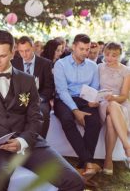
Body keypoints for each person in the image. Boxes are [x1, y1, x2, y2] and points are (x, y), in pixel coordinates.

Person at [0, 30, 84, 191]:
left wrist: (23, 141)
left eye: (2, 56)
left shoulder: (28, 80)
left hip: (30, 144)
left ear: (13, 53)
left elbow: (36, 118)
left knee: (75, 181)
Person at [53, 34, 102, 182]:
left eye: (87, 49)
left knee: (95, 122)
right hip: (64, 99)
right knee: (67, 120)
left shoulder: (93, 66)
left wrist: (94, 100)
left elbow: (94, 88)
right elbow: (62, 91)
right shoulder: (61, 64)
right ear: (73, 47)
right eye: (81, 49)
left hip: (85, 99)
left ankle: (83, 165)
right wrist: (75, 110)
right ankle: (88, 162)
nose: (85, 53)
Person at [12, 36, 54, 138]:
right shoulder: (13, 63)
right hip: (19, 98)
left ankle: (41, 141)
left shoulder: (45, 63)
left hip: (39, 98)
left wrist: (40, 98)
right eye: (21, 51)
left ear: (33, 48)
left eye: (27, 50)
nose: (24, 54)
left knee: (43, 112)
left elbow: (49, 87)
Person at [98, 42, 130, 175]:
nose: (110, 58)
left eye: (114, 55)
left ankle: (108, 160)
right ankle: (127, 146)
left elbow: (124, 96)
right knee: (110, 106)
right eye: (107, 54)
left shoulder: (126, 71)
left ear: (120, 55)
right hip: (102, 102)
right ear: (104, 53)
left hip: (120, 104)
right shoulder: (99, 67)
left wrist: (114, 98)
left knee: (111, 118)